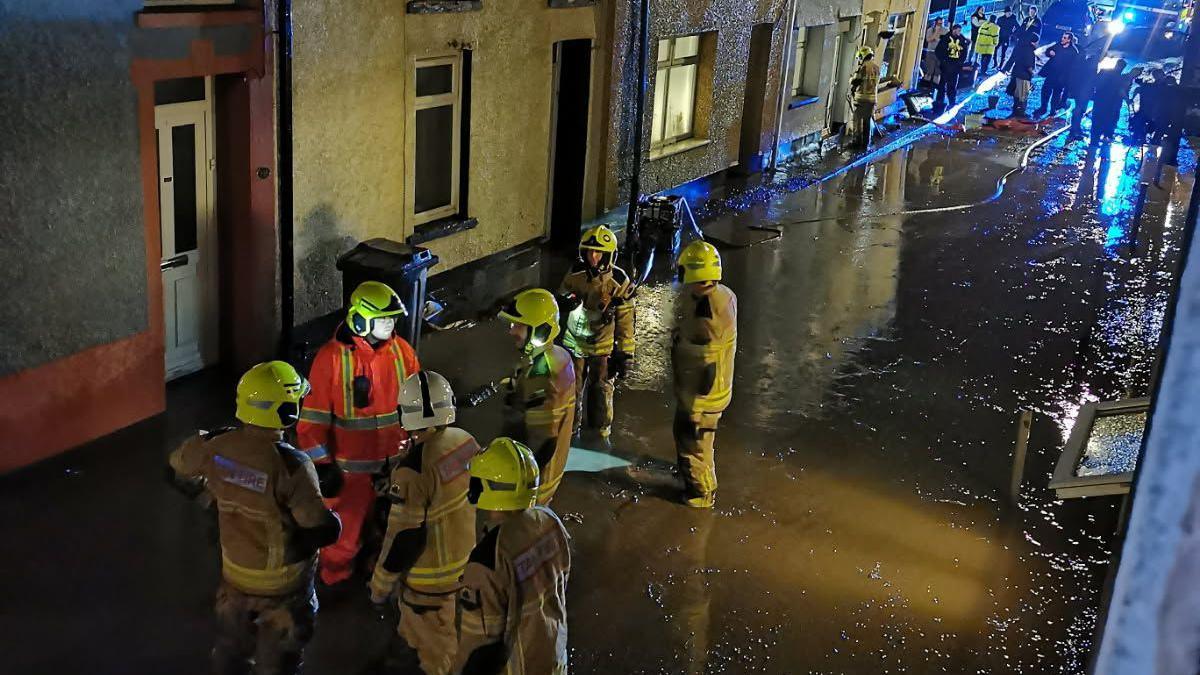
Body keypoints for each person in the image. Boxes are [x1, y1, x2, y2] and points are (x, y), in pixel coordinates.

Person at [168, 361, 342, 675]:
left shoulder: (217, 446)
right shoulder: (292, 465)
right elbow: (320, 529)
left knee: (230, 651)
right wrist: (334, 520)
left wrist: (210, 500)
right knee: (278, 664)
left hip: (234, 580)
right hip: (284, 590)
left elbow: (175, 467)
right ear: (286, 411)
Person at [297, 280, 421, 587]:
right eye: (383, 320)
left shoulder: (402, 352)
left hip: (394, 465)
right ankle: (334, 579)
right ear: (361, 319)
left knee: (389, 526)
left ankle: (375, 574)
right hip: (350, 473)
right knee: (344, 537)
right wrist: (323, 466)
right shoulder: (331, 359)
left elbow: (418, 403)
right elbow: (311, 422)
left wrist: (417, 446)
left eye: (392, 319)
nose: (390, 325)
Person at [368, 371, 482, 675]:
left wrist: (379, 586)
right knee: (453, 635)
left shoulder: (413, 470)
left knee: (436, 655)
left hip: (428, 583)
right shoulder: (466, 442)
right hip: (464, 564)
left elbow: (404, 536)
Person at [455, 438, 571, 674]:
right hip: (555, 657)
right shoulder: (549, 521)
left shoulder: (488, 557)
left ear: (486, 488)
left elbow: (480, 647)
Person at [672, 240, 738, 509]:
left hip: (701, 396)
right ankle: (693, 476)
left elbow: (707, 363)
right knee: (692, 439)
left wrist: (696, 408)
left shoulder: (707, 312)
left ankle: (701, 493)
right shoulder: (722, 295)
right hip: (706, 391)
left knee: (696, 444)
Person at [497, 288, 577, 504]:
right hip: (552, 468)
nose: (511, 331)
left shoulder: (542, 375)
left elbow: (542, 441)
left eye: (518, 326)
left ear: (540, 330)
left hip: (537, 482)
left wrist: (521, 478)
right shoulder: (558, 355)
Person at [558, 225, 635, 442]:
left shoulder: (619, 281)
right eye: (590, 251)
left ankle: (601, 434)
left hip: (603, 346)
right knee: (571, 389)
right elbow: (559, 298)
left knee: (601, 389)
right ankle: (570, 432)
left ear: (608, 254)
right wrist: (566, 301)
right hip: (575, 343)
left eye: (598, 252)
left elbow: (626, 321)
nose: (593, 257)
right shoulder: (575, 273)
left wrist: (625, 353)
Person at [1035, 32, 1079, 117]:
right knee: (1045, 90)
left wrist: (1068, 79)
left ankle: (1053, 110)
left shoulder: (1073, 51)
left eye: (1065, 38)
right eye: (1063, 37)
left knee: (1056, 94)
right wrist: (1050, 52)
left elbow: (1074, 67)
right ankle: (1043, 107)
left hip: (1061, 77)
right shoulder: (1058, 45)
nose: (1062, 39)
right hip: (1052, 74)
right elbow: (1048, 51)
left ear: (1069, 40)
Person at [1091, 60, 1133, 145]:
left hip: (1100, 101)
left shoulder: (1104, 71)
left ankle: (1095, 139)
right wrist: (1128, 100)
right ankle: (1106, 139)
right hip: (1113, 104)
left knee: (1097, 120)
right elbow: (1122, 91)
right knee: (1111, 121)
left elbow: (1095, 83)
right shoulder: (1121, 78)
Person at [849, 46, 881, 149]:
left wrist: (852, 79)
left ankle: (857, 142)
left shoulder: (864, 67)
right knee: (867, 121)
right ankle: (866, 143)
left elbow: (856, 81)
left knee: (857, 120)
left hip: (862, 99)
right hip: (872, 99)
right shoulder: (876, 67)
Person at [935, 24, 971, 111]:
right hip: (945, 66)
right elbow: (938, 51)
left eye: (960, 31)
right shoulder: (945, 39)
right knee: (942, 85)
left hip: (955, 67)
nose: (959, 32)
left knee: (952, 86)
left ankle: (952, 102)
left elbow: (964, 52)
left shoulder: (962, 40)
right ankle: (939, 102)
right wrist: (944, 61)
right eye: (958, 30)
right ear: (953, 30)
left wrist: (960, 62)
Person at [1069, 52, 1100, 137]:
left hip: (1082, 92)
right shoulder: (1090, 69)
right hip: (1083, 92)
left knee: (1080, 110)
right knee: (1079, 110)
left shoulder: (1085, 67)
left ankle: (1076, 128)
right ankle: (1074, 129)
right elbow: (1092, 81)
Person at [1008, 30, 1038, 116]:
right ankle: (1020, 114)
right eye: (1036, 42)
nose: (1037, 44)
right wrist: (1032, 73)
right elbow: (1028, 65)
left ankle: (1015, 111)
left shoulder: (1020, 47)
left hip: (1016, 73)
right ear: (1032, 42)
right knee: (1022, 96)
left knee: (1017, 95)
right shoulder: (1029, 51)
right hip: (1024, 76)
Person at [924, 18, 949, 85]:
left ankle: (935, 85)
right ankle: (926, 84)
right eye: (939, 24)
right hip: (931, 52)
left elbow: (947, 41)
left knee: (938, 71)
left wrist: (939, 40)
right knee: (929, 70)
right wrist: (936, 32)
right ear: (935, 23)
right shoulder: (930, 30)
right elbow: (928, 39)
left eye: (942, 23)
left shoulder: (946, 30)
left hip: (940, 53)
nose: (940, 25)